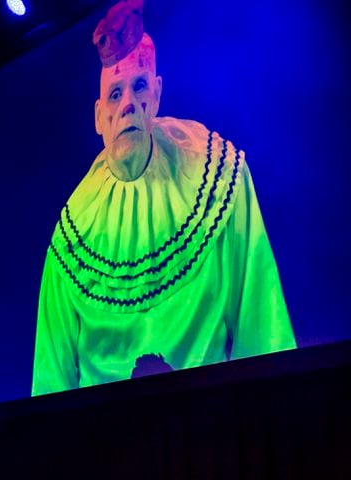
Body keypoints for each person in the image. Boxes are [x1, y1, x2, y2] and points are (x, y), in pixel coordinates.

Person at [31, 0, 297, 396]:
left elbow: (261, 325)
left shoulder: (217, 179)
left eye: (139, 87)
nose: (128, 106)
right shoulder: (71, 239)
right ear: (99, 117)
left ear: (156, 95)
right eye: (115, 94)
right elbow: (52, 380)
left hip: (213, 426)